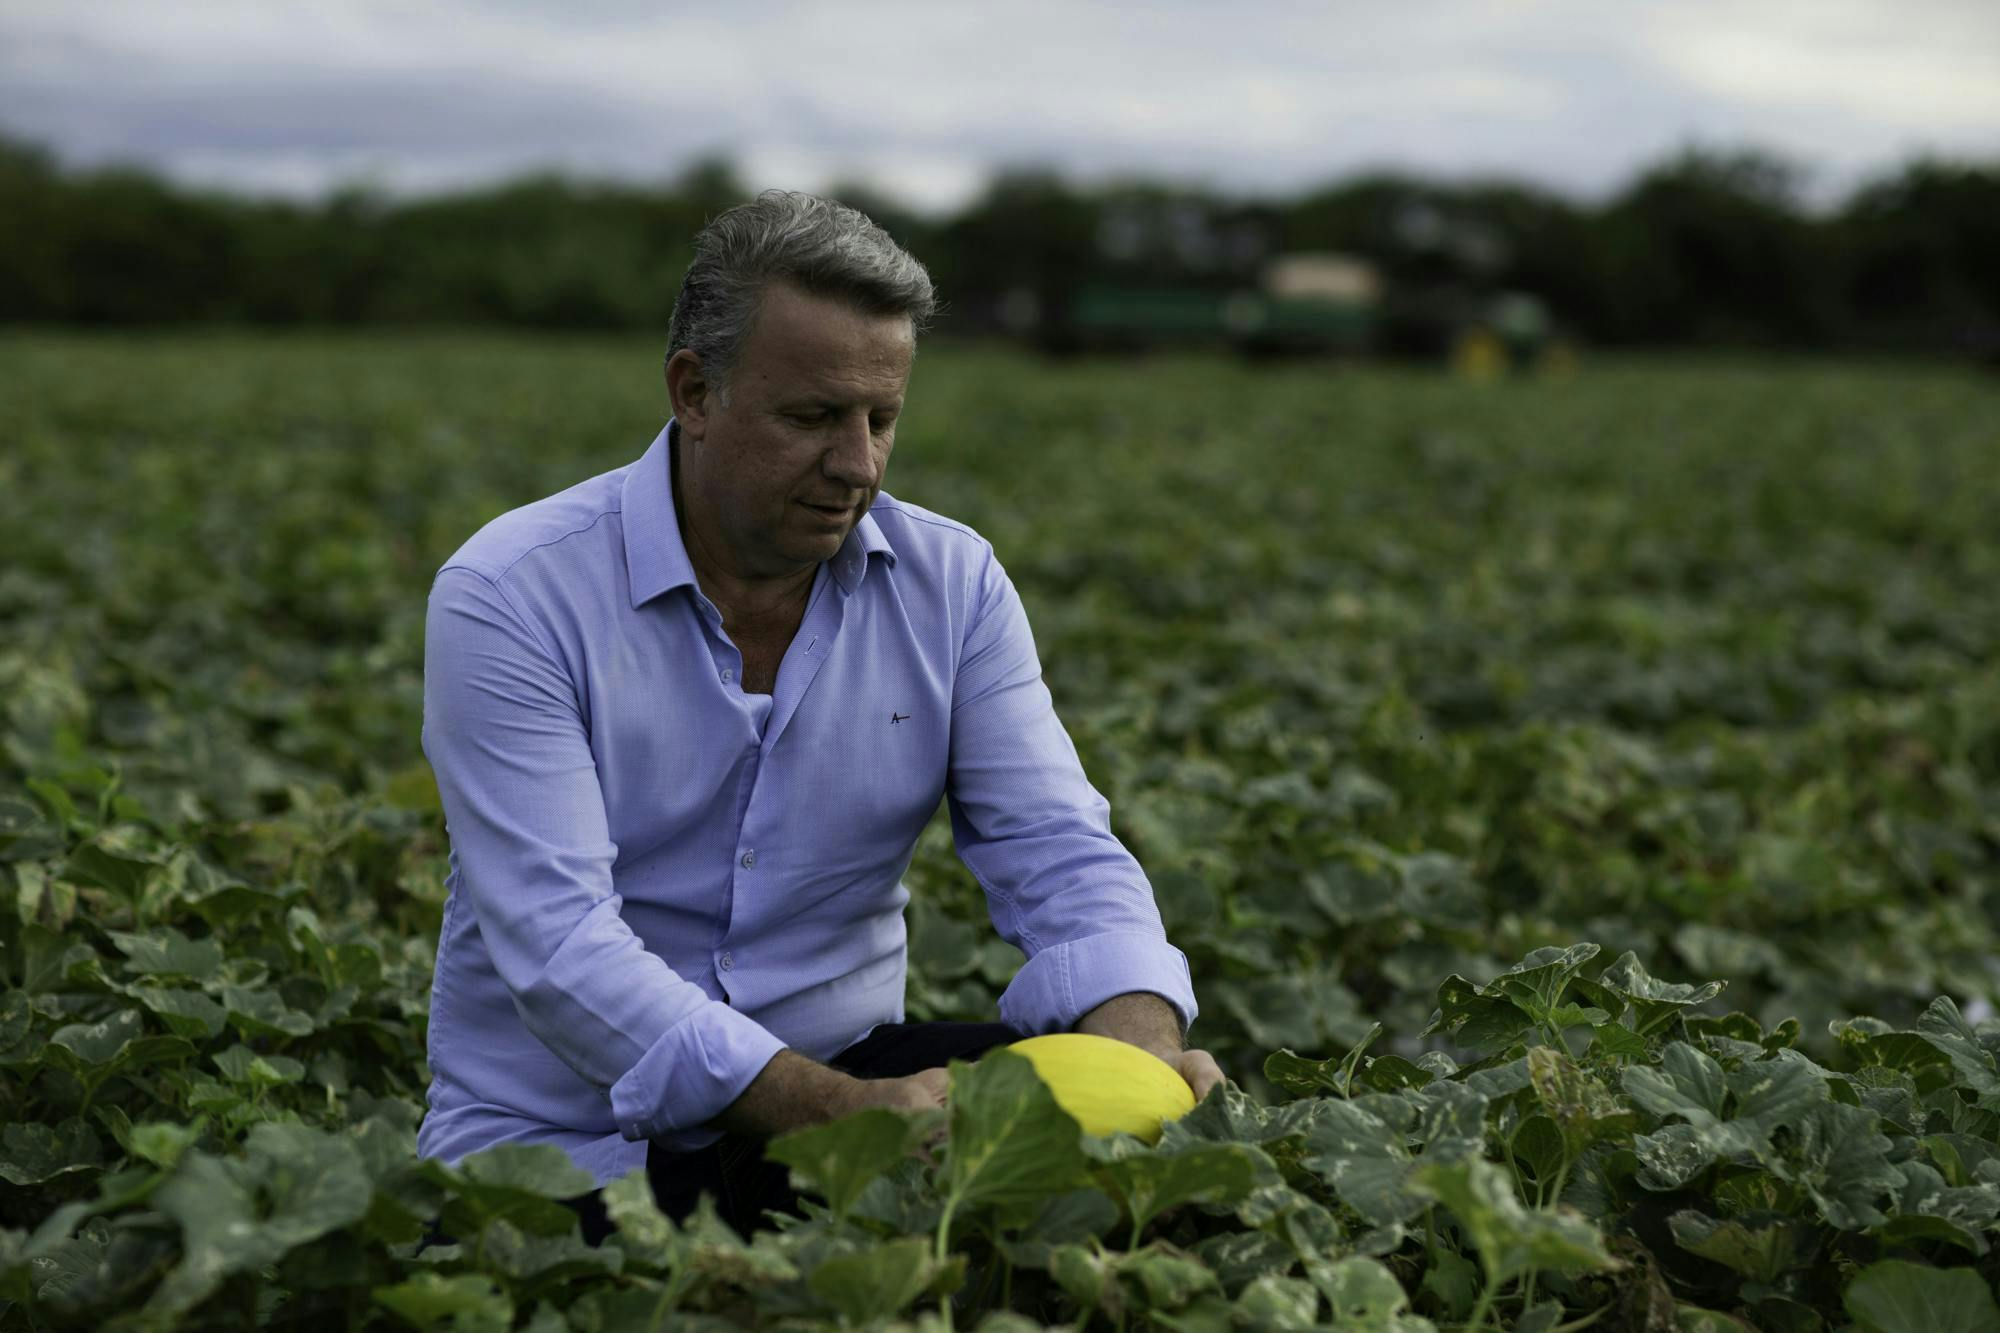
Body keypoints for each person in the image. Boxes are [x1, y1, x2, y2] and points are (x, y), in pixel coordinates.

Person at [415, 191, 1223, 1243]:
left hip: (853, 1075)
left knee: (1182, 1195)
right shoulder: (513, 594)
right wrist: (835, 1115)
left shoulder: (954, 584)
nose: (859, 465)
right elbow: (559, 946)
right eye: (812, 419)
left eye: (881, 418)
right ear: (693, 392)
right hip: (569, 1129)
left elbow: (1057, 846)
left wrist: (1137, 1040)